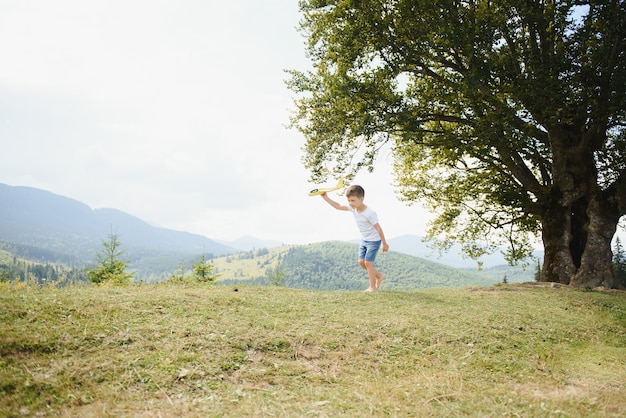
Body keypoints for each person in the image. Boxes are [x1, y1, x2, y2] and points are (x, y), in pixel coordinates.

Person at [320, 185, 389, 292]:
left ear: (361, 199)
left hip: (374, 241)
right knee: (361, 261)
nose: (351, 203)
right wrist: (325, 197)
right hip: (365, 239)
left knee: (368, 263)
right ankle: (379, 276)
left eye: (353, 200)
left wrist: (384, 243)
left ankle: (372, 287)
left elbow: (378, 228)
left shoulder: (370, 213)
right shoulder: (354, 209)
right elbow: (338, 206)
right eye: (349, 201)